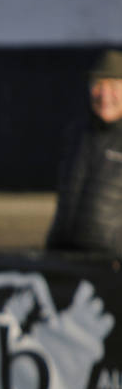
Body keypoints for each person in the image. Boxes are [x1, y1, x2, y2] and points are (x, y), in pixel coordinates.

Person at [45, 49, 122, 255]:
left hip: (111, 265)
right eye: (98, 85)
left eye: (113, 86)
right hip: (66, 259)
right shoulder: (77, 135)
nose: (104, 95)